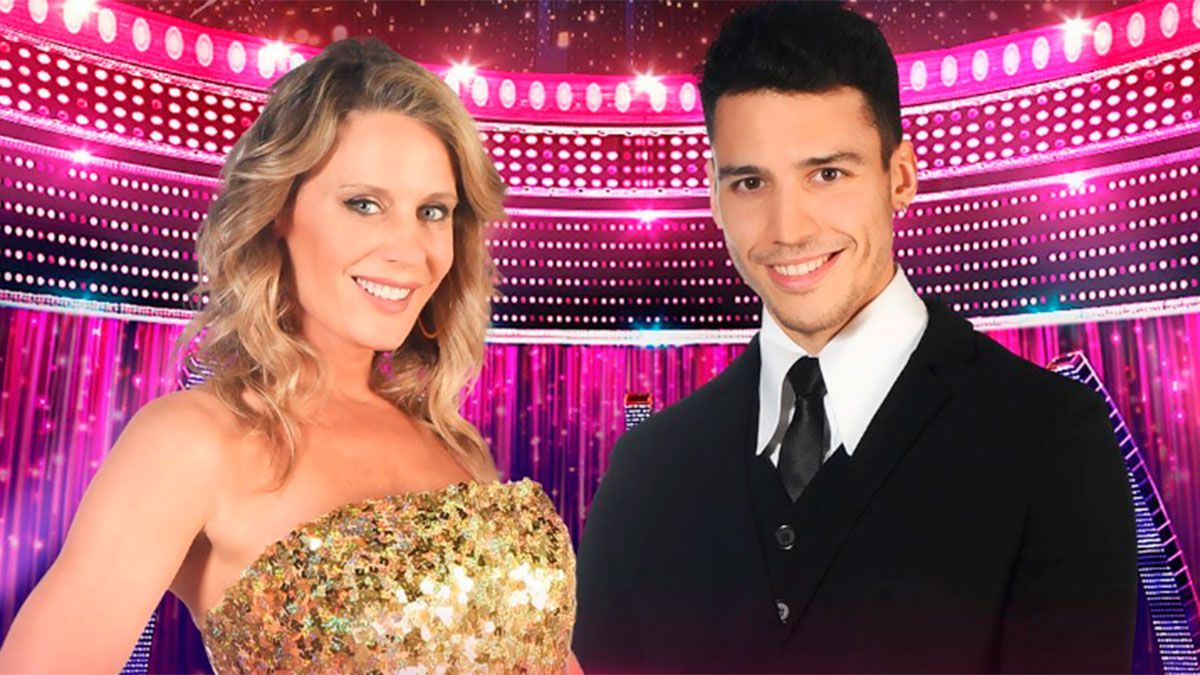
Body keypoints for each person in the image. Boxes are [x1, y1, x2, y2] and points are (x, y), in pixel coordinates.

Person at [572, 2, 1137, 673]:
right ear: (716, 198)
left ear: (901, 176)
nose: (788, 229)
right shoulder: (646, 469)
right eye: (750, 182)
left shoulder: (1049, 437)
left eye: (827, 174)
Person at [0, 38, 580, 674]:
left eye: (432, 212)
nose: (409, 250)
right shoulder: (192, 441)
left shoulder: (452, 440)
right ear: (279, 209)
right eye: (365, 204)